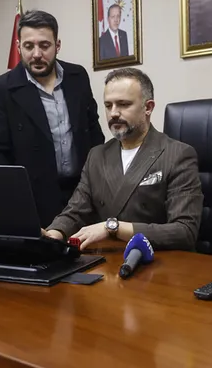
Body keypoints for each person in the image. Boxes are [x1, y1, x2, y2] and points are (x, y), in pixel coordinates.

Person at [44, 68, 203, 251]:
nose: (113, 113)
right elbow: (75, 211)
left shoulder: (177, 154)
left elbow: (184, 232)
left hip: (157, 259)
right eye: (108, 105)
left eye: (123, 104)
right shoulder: (97, 155)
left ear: (148, 108)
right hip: (108, 258)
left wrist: (112, 228)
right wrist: (53, 234)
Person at [0, 10, 105, 227]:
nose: (36, 54)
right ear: (18, 46)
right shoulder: (1, 89)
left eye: (44, 45)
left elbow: (93, 131)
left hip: (83, 195)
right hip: (33, 200)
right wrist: (14, 202)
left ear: (57, 45)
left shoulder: (77, 77)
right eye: (29, 46)